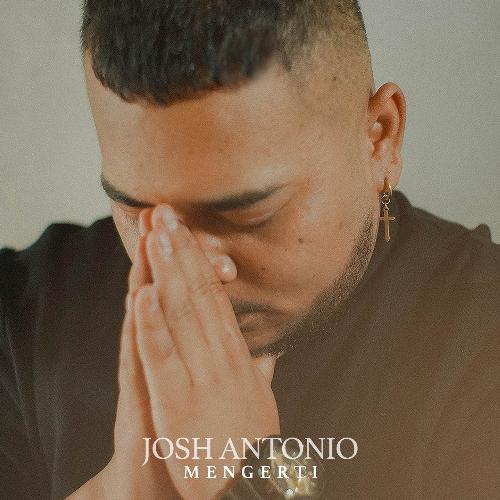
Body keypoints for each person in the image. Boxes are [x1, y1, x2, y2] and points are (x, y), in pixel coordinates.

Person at [1, 1, 499, 498]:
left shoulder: (484, 338)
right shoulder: (22, 317)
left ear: (379, 140)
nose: (198, 271)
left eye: (249, 213)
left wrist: (255, 484)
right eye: (140, 213)